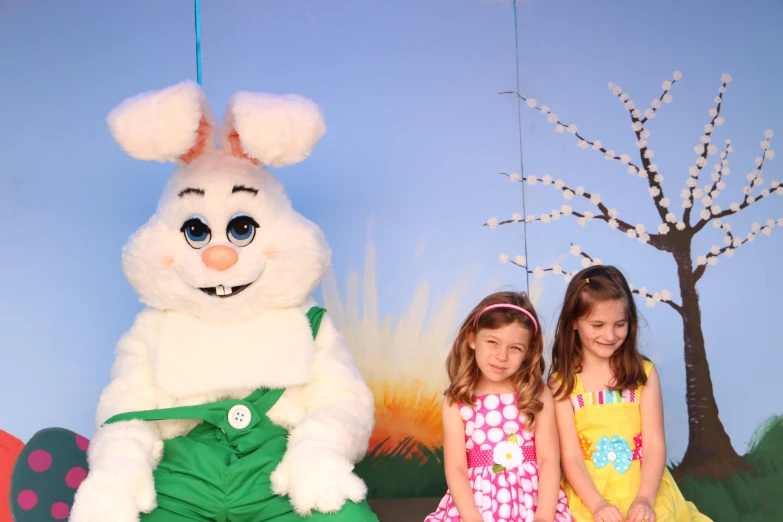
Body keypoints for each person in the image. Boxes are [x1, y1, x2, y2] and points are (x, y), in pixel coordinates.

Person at [549, 265, 713, 522]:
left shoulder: (644, 375)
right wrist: (598, 505)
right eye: (598, 324)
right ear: (574, 323)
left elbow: (654, 444)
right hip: (589, 494)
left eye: (620, 324)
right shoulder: (562, 384)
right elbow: (570, 457)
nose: (610, 335)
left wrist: (645, 498)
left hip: (643, 486)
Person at [425, 291, 573, 522]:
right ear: (472, 339)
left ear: (528, 353)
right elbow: (456, 468)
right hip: (475, 503)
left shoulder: (537, 393)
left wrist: (544, 516)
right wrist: (472, 517)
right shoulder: (457, 399)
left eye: (515, 348)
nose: (501, 356)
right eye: (493, 342)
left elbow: (548, 460)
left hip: (530, 502)